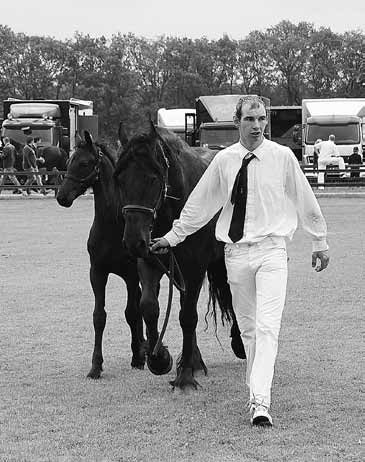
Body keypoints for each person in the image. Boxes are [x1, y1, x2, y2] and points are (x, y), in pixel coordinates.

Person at [151, 95, 329, 427]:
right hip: (236, 254)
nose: (257, 125)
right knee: (248, 331)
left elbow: (304, 196)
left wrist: (319, 239)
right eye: (250, 119)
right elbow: (200, 205)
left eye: (261, 119)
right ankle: (256, 395)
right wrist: (172, 237)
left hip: (273, 251)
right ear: (238, 123)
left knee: (267, 327)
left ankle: (260, 401)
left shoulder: (282, 157)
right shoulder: (225, 161)